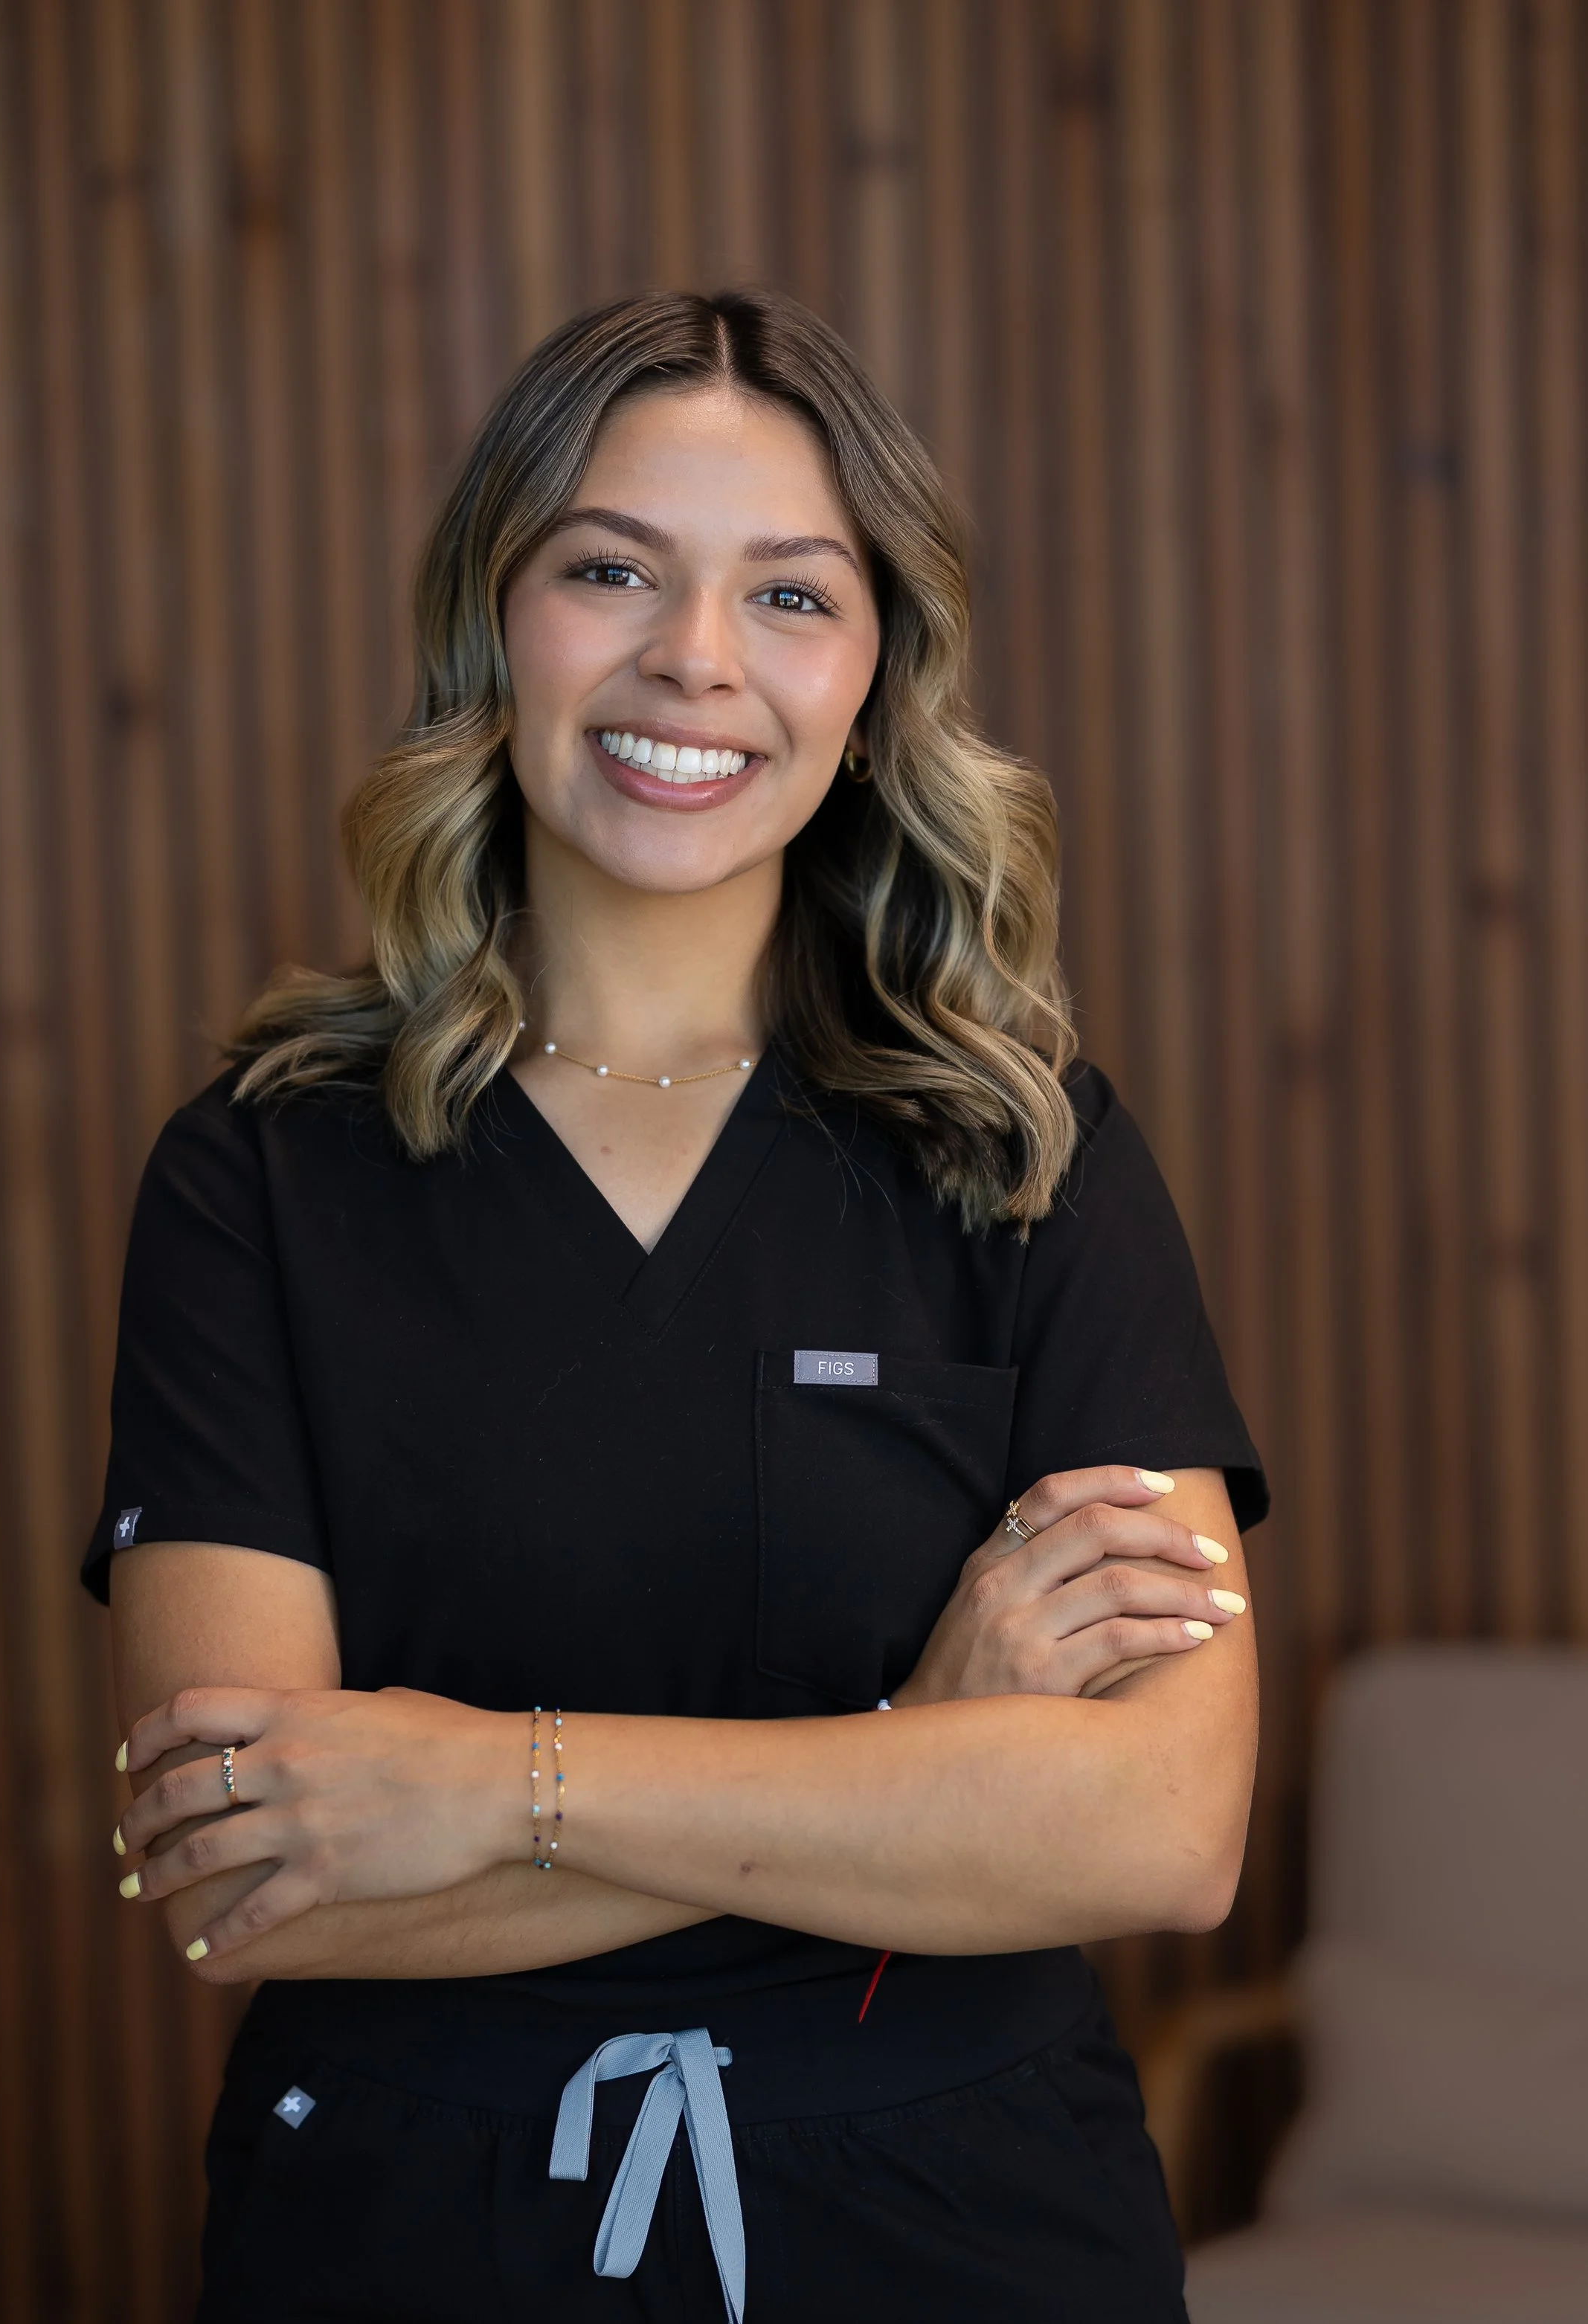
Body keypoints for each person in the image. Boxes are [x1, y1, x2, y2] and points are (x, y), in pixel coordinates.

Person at [86, 288, 1267, 2323]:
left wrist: (483, 1783)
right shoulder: (262, 1170)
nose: (692, 660)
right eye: (610, 566)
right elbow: (246, 1876)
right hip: (410, 2241)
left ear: (874, 670)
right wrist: (921, 1752)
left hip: (968, 2235)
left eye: (790, 595)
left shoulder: (1020, 1143)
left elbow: (1159, 1826)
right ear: (494, 617)